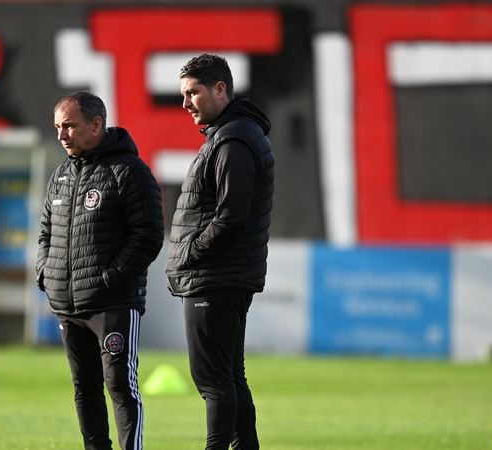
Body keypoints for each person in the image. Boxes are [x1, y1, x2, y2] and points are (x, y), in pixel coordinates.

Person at [37, 91, 164, 450]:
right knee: (84, 388)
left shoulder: (130, 171)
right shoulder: (61, 175)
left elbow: (149, 234)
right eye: (58, 127)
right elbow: (46, 232)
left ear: (96, 125)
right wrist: (46, 274)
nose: (61, 135)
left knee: (121, 385)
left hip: (112, 304)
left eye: (69, 126)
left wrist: (111, 279)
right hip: (68, 305)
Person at [165, 54, 275, 450]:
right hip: (224, 275)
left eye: (193, 92)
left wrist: (190, 254)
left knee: (213, 380)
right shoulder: (231, 135)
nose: (186, 103)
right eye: (183, 94)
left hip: (214, 277)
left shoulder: (233, 140)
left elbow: (231, 217)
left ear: (220, 89)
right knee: (229, 376)